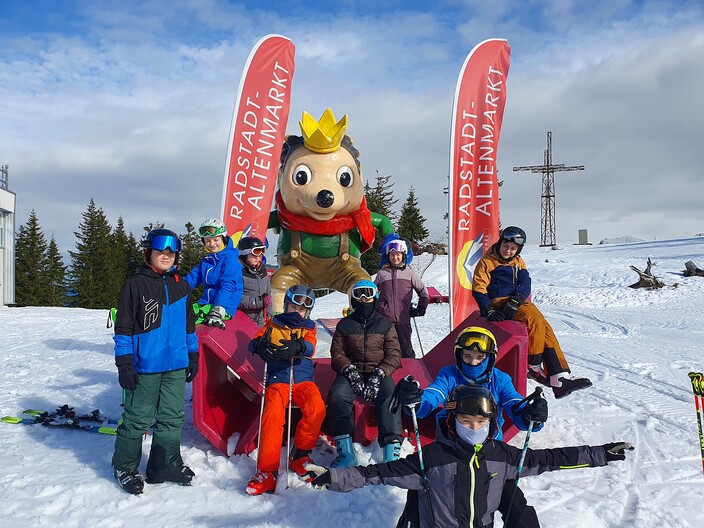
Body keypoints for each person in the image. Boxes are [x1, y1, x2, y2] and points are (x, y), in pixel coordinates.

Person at [306, 385, 634, 528]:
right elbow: (375, 474)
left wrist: (600, 454)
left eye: (481, 421)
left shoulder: (501, 455)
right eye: (466, 421)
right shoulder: (432, 458)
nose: (474, 427)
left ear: (491, 424)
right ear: (453, 421)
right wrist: (333, 477)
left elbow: (549, 459)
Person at [393, 325, 547, 527]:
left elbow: (512, 403)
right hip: (450, 453)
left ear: (490, 357)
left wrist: (529, 414)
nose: (473, 362)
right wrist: (417, 400)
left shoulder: (499, 379)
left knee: (517, 506)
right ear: (459, 355)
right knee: (422, 496)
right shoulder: (449, 374)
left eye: (479, 357)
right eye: (467, 356)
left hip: (489, 455)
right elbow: (435, 394)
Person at [112, 228, 200, 495]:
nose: (166, 256)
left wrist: (193, 354)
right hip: (145, 366)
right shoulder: (135, 285)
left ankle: (164, 464)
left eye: (171, 252)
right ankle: (125, 467)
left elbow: (189, 325)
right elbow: (123, 328)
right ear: (148, 253)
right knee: (137, 419)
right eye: (160, 251)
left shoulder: (181, 286)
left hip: (175, 365)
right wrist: (124, 364)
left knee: (172, 417)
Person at [472, 226, 592, 399]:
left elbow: (525, 282)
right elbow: (479, 288)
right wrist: (488, 309)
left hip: (516, 302)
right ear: (500, 243)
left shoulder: (518, 262)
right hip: (498, 303)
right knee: (532, 318)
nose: (508, 251)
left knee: (545, 327)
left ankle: (560, 378)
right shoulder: (487, 262)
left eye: (513, 248)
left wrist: (517, 299)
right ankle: (533, 364)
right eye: (506, 246)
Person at [245, 285, 325, 495]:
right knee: (272, 415)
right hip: (278, 380)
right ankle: (267, 471)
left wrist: (299, 347)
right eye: (294, 306)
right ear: (287, 305)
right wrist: (259, 346)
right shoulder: (274, 323)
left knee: (316, 407)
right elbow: (254, 342)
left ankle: (300, 454)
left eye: (302, 309)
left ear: (307, 312)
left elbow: (311, 346)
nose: (297, 311)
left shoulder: (309, 327)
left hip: (302, 380)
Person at [325, 279, 404, 467]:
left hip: (378, 370)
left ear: (375, 298)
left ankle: (391, 450)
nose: (363, 299)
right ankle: (346, 452)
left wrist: (379, 374)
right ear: (353, 300)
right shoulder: (345, 325)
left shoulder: (385, 324)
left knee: (391, 396)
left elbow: (394, 353)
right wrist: (349, 370)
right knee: (338, 395)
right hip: (352, 370)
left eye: (368, 294)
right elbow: (337, 353)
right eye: (359, 294)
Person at [183, 219, 243, 330]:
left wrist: (219, 308)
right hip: (206, 304)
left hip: (224, 306)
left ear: (223, 239)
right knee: (179, 313)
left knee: (185, 320)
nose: (212, 244)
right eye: (208, 241)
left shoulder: (230, 259)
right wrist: (173, 287)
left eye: (216, 240)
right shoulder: (207, 260)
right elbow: (192, 279)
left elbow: (228, 286)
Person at [375, 237, 429, 358]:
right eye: (392, 255)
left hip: (403, 319)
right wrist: (374, 309)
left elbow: (423, 292)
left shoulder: (409, 273)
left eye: (398, 254)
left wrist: (421, 308)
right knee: (386, 350)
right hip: (384, 319)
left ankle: (408, 372)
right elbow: (373, 293)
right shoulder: (382, 274)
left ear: (403, 255)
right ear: (388, 256)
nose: (395, 258)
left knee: (405, 349)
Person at [237, 236, 272, 327]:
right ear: (244, 254)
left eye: (260, 253)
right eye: (255, 253)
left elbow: (268, 295)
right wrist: (258, 302)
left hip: (260, 320)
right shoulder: (237, 272)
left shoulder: (262, 271)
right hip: (242, 321)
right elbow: (235, 297)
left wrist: (269, 316)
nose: (257, 257)